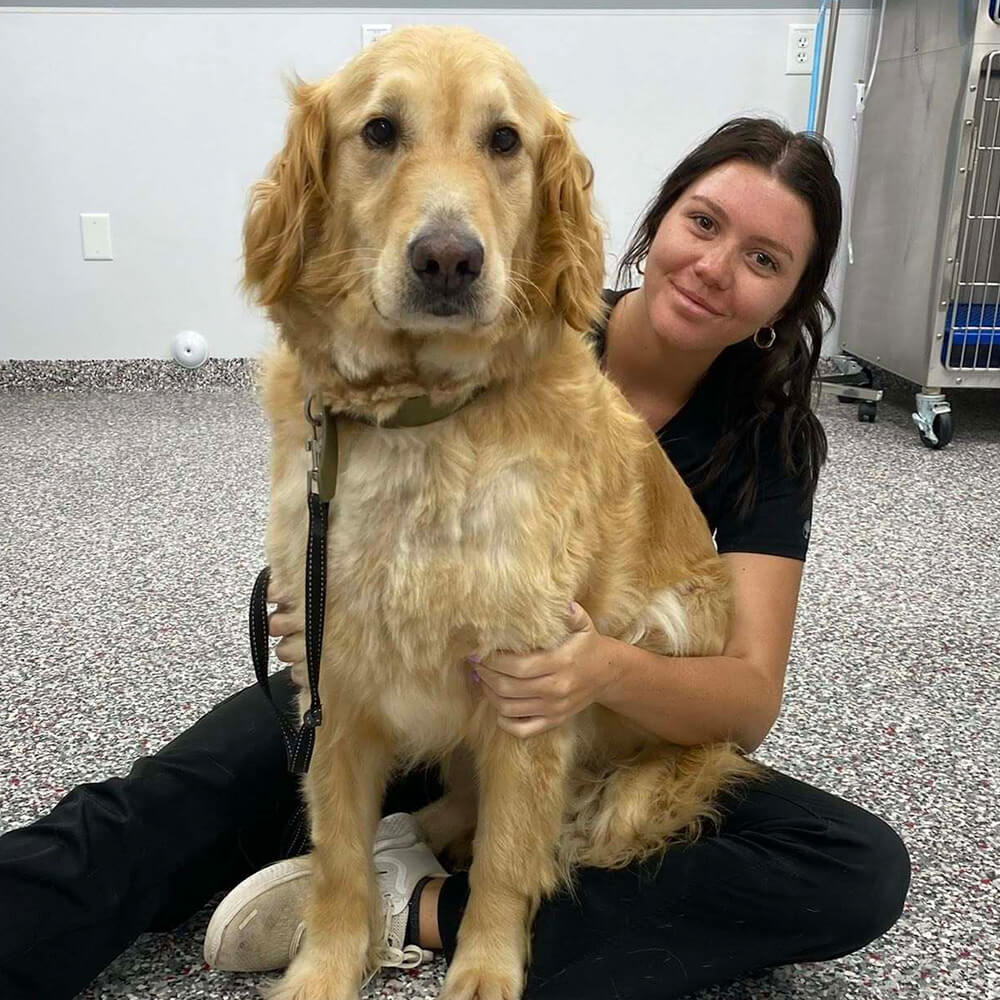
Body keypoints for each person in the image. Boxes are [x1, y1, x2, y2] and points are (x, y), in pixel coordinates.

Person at [0, 116, 910, 1000]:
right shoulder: (505, 307)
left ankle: (425, 904)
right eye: (704, 222)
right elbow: (334, 495)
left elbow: (748, 699)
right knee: (164, 806)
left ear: (786, 302)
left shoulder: (769, 441)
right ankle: (382, 859)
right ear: (658, 220)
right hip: (402, 681)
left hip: (589, 728)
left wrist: (598, 670)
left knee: (853, 868)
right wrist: (310, 608)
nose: (715, 268)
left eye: (764, 260)